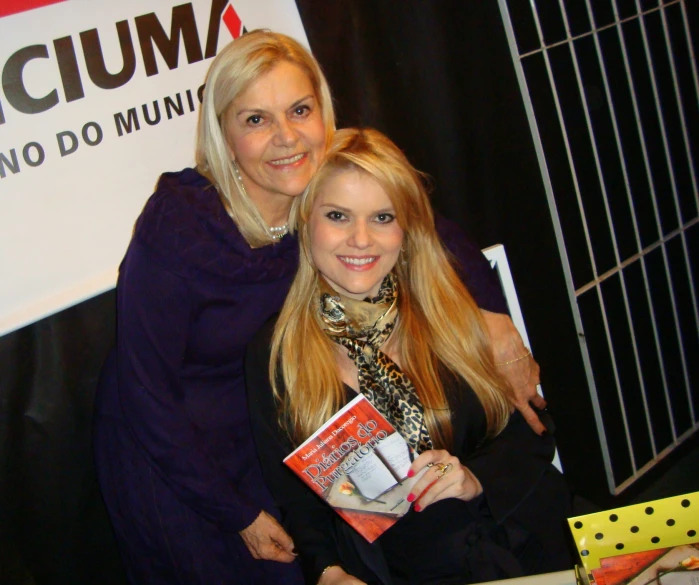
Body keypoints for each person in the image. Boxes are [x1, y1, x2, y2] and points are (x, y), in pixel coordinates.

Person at [93, 30, 545, 585]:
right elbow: (146, 393)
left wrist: (494, 320)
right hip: (175, 452)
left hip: (276, 424)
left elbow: (426, 230)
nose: (286, 137)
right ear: (224, 133)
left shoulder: (319, 177)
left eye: (299, 110)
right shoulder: (181, 225)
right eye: (256, 119)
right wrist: (235, 513)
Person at [246, 128, 573, 585]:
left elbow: (535, 434)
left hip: (528, 542)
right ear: (306, 221)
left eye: (382, 217)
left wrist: (474, 478)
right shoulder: (278, 355)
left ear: (406, 228)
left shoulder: (449, 310)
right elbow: (298, 500)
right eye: (338, 215)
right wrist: (327, 571)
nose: (361, 240)